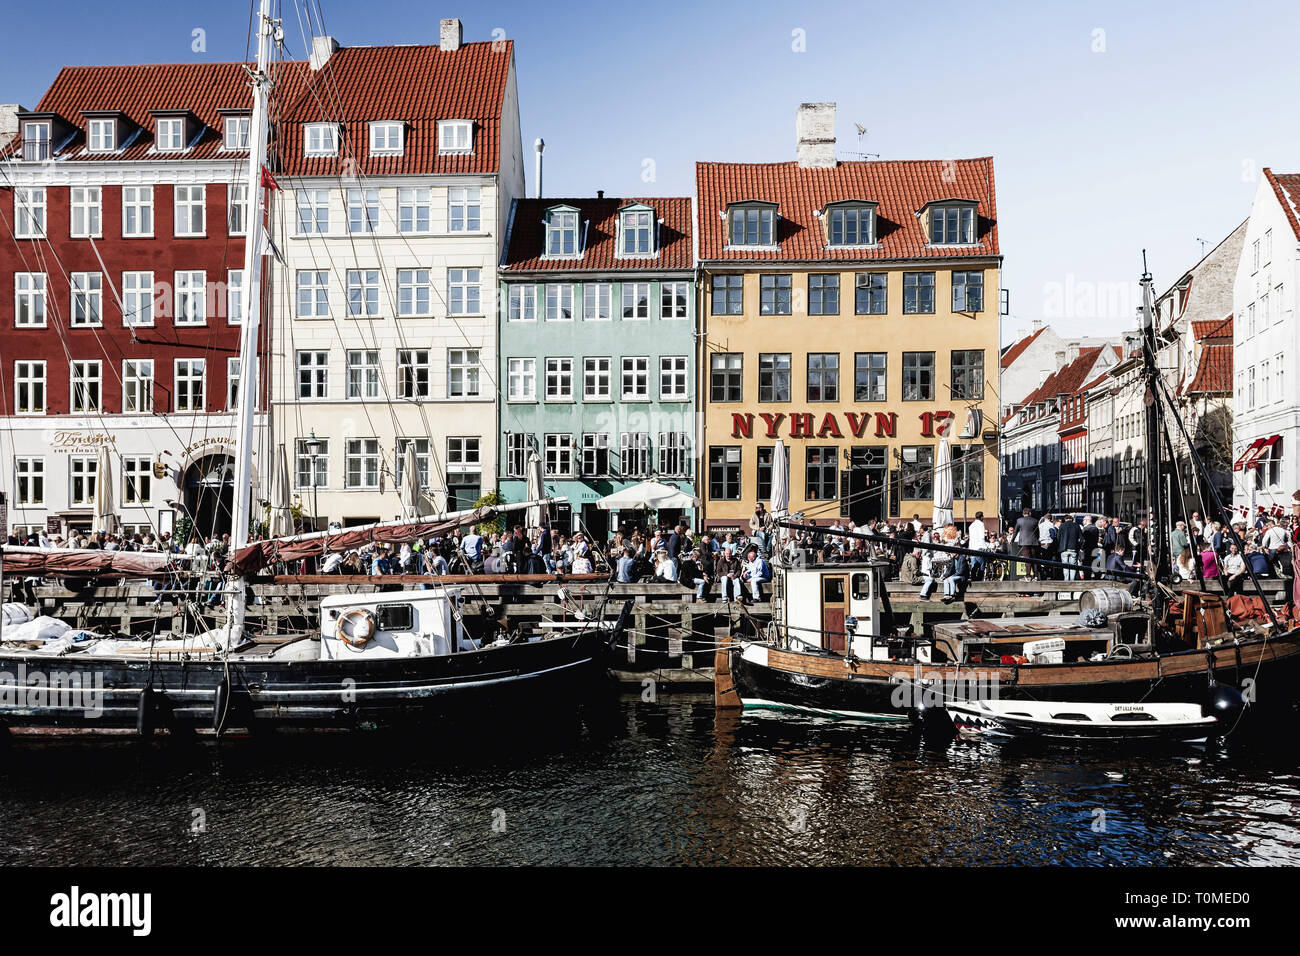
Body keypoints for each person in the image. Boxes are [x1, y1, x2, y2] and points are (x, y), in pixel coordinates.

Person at [1014, 508, 1039, 580]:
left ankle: (1028, 576)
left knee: (1027, 559)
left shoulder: (1019, 520)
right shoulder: (1035, 520)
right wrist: (1037, 539)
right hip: (1034, 542)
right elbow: (1038, 532)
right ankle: (1036, 575)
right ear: (1030, 513)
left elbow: (1015, 531)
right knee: (1034, 559)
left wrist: (1012, 540)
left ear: (1023, 513)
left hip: (1024, 542)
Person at [1057, 513, 1081, 582]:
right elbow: (1082, 539)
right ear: (1072, 519)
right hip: (1074, 549)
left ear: (1065, 519)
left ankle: (1066, 581)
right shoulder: (1076, 526)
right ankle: (1072, 581)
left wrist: (1059, 547)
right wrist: (1079, 547)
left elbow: (1058, 538)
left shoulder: (1062, 526)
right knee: (1073, 566)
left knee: (1065, 566)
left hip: (1064, 549)